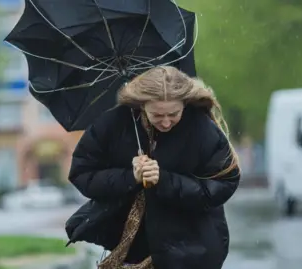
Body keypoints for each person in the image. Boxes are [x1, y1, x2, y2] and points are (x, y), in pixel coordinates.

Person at [68, 66, 241, 269]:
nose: (166, 122)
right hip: (131, 251)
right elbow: (82, 173)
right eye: (157, 115)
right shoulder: (112, 124)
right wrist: (130, 177)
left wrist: (165, 180)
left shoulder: (202, 130)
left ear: (184, 104)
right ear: (142, 105)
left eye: (174, 114)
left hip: (191, 252)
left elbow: (223, 184)